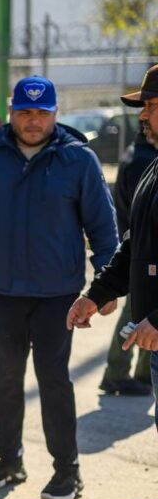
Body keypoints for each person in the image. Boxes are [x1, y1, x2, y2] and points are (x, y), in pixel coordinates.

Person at [0, 75, 118, 499]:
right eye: (25, 112)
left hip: (58, 294)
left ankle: (67, 472)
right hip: (5, 291)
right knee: (6, 379)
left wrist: (106, 286)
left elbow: (103, 228)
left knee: (54, 382)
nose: (33, 121)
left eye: (42, 112)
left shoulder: (77, 160)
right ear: (11, 112)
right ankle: (8, 460)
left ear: (55, 115)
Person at [67, 64, 158, 499]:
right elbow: (134, 247)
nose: (142, 115)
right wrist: (96, 294)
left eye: (150, 106)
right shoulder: (153, 167)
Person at [98, 123, 158, 396]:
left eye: (151, 107)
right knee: (137, 317)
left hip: (142, 262)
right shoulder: (145, 161)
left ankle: (136, 373)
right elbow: (142, 229)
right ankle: (118, 372)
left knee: (141, 317)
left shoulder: (139, 156)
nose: (144, 114)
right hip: (142, 263)